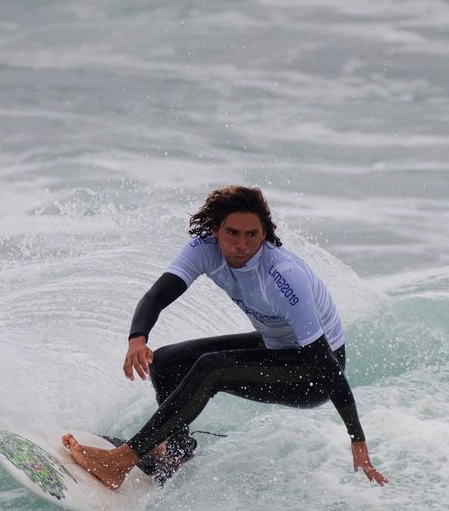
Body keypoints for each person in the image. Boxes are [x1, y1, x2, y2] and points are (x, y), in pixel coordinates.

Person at [62, 185, 388, 489]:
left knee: (211, 368)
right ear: (216, 230)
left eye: (252, 235)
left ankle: (120, 463)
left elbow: (326, 365)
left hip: (312, 373)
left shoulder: (283, 278)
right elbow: (157, 295)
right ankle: (176, 453)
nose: (241, 245)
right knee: (166, 361)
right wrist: (137, 338)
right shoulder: (204, 249)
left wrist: (356, 437)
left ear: (265, 235)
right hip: (276, 345)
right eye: (232, 233)